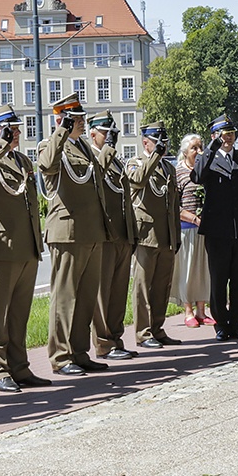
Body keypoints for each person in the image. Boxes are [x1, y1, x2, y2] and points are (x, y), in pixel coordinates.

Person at [0, 105, 50, 392]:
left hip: (25, 246)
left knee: (18, 314)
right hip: (0, 247)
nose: (16, 133)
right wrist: (0, 143)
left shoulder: (23, 161)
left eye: (15, 129)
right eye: (9, 129)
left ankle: (19, 366)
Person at [37, 92, 111, 376]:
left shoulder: (83, 148)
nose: (81, 123)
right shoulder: (52, 145)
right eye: (75, 118)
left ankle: (79, 352)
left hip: (91, 230)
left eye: (81, 118)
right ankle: (60, 355)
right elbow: (45, 165)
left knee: (85, 297)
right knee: (65, 297)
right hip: (67, 231)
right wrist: (61, 131)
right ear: (62, 119)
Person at [191, 114, 238, 342]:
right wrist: (211, 147)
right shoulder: (208, 158)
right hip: (217, 232)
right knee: (219, 280)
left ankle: (237, 323)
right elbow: (196, 176)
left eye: (231, 133)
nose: (228, 138)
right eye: (223, 134)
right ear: (214, 136)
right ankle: (221, 325)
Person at [87, 111, 139, 360]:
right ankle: (103, 343)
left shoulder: (115, 160)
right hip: (105, 235)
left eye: (112, 133)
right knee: (102, 293)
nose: (110, 138)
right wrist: (107, 149)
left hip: (122, 234)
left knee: (118, 292)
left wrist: (132, 232)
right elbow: (95, 176)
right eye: (105, 133)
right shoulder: (93, 157)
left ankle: (116, 338)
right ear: (92, 134)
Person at [125, 122, 182, 349]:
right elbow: (138, 180)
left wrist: (176, 234)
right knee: (142, 287)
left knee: (161, 286)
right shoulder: (134, 163)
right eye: (157, 141)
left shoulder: (169, 168)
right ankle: (143, 332)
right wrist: (154, 157)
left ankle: (158, 328)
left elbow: (173, 205)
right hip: (146, 234)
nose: (162, 146)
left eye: (164, 142)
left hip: (166, 235)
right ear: (145, 142)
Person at [170, 133, 215, 328]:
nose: (198, 151)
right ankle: (188, 311)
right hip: (187, 229)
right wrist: (194, 219)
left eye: (200, 147)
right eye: (194, 148)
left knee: (203, 270)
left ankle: (202, 311)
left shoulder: (206, 171)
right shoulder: (178, 172)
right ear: (185, 152)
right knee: (187, 271)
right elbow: (173, 205)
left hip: (205, 229)